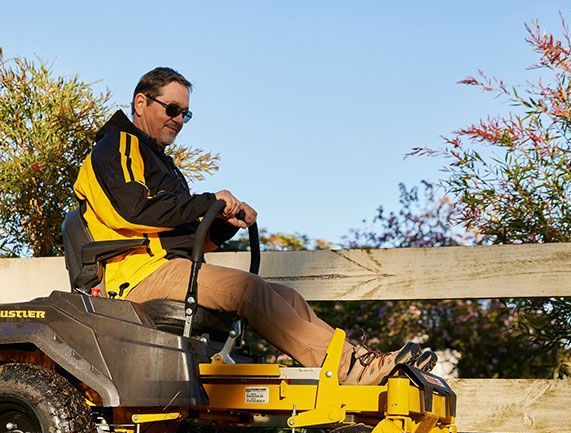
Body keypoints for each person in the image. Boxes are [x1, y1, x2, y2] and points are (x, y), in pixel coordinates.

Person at [72, 67, 436, 385]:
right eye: (171, 109)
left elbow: (177, 237)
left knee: (287, 296)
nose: (178, 120)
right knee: (247, 290)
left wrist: (223, 224)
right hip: (132, 275)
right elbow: (132, 211)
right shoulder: (117, 145)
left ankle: (362, 362)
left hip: (166, 266)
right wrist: (207, 201)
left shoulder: (160, 162)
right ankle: (349, 371)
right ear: (140, 104)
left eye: (185, 114)